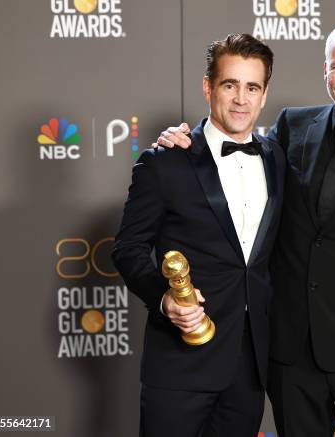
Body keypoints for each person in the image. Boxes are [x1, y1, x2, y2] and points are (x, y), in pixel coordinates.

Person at [155, 21, 335, 437]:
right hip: (291, 350)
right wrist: (185, 140)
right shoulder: (291, 126)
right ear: (325, 71)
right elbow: (234, 163)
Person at [112, 33, 285, 437]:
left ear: (263, 94)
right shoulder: (165, 162)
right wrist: (162, 297)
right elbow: (128, 249)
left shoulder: (277, 158)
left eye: (252, 87)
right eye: (230, 84)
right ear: (208, 87)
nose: (241, 99)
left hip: (248, 368)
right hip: (179, 364)